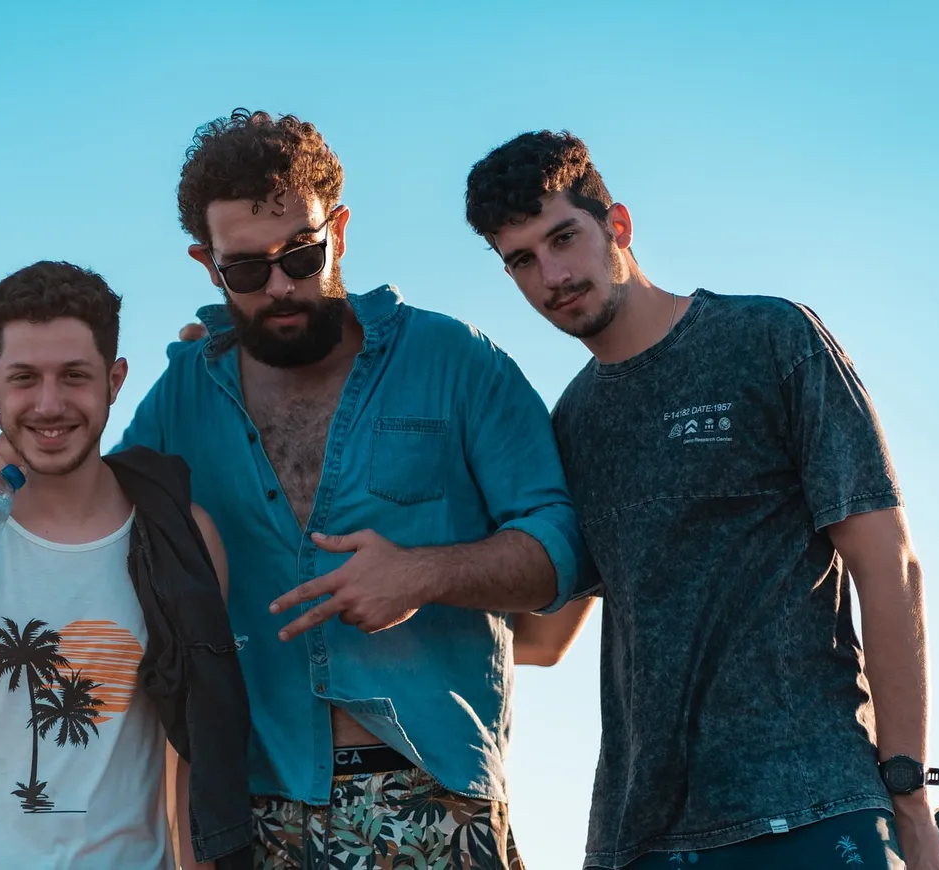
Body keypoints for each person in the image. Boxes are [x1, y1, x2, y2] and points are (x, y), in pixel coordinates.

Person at [115, 108, 593, 869]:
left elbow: (566, 550)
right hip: (253, 811)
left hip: (436, 801)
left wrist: (425, 572)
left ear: (338, 228)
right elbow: (84, 518)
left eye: (300, 256)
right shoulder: (182, 396)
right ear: (207, 265)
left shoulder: (455, 361)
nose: (278, 286)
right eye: (246, 269)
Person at [463, 130, 939, 869]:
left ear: (616, 225)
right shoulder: (572, 424)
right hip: (644, 835)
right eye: (521, 260)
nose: (551, 274)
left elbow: (891, 569)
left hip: (812, 809)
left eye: (564, 237)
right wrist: (408, 571)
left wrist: (910, 798)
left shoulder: (769, 340)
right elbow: (544, 637)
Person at [0, 260, 253, 870]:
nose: (50, 405)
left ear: (115, 380)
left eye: (75, 376)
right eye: (25, 377)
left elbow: (195, 752)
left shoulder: (182, 538)